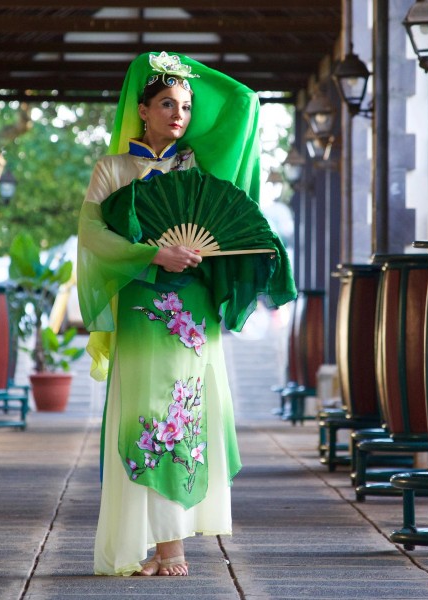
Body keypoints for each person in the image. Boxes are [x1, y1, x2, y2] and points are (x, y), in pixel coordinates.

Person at [77, 51, 295, 578]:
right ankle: (146, 542)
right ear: (143, 110)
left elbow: (244, 103)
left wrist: (187, 69)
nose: (178, 114)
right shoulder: (112, 169)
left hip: (192, 313)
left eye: (187, 106)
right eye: (167, 103)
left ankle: (171, 546)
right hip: (140, 303)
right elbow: (93, 236)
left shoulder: (196, 166)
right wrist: (154, 253)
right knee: (142, 415)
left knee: (182, 414)